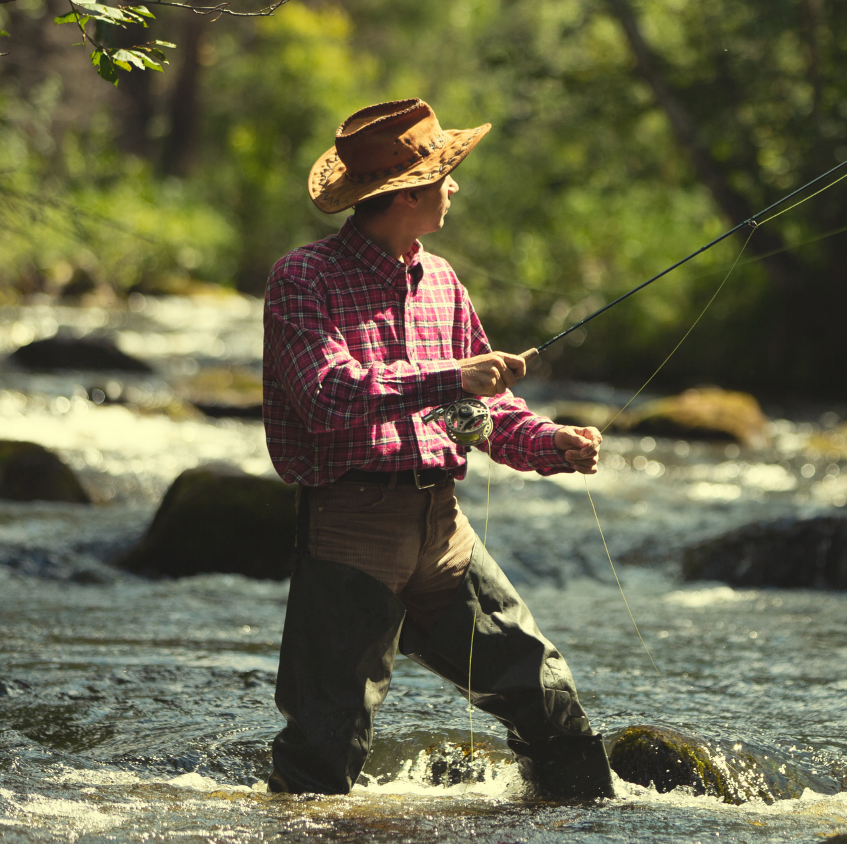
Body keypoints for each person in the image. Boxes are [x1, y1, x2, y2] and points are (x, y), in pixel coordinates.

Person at [260, 97, 614, 799]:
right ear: (408, 194)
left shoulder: (442, 281)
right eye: (445, 175)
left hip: (444, 533)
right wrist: (450, 377)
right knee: (324, 751)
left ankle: (585, 822)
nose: (454, 185)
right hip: (351, 531)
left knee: (545, 696)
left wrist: (550, 444)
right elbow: (325, 397)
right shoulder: (304, 279)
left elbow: (478, 412)